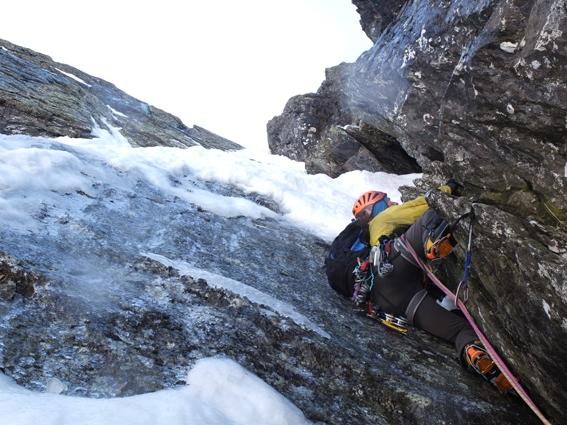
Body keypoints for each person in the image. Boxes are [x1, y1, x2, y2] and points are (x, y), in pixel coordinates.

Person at [351, 183, 512, 393]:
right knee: (431, 216)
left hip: (389, 304)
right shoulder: (384, 217)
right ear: (377, 208)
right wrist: (448, 188)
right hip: (392, 268)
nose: (392, 202)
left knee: (461, 329)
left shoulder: (368, 238)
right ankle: (432, 244)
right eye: (386, 200)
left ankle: (475, 354)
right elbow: (425, 204)